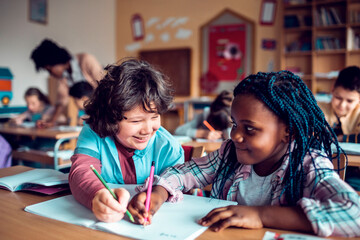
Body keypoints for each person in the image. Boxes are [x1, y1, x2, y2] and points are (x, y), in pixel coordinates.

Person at [128, 71, 360, 237]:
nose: (235, 135)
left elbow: (354, 214)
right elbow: (184, 172)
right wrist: (157, 193)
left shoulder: (308, 163)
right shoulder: (229, 153)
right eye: (234, 124)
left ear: (288, 132)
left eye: (249, 129)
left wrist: (260, 215)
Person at [68, 58, 184, 223]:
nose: (147, 129)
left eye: (155, 116)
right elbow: (81, 171)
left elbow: (175, 189)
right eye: (136, 121)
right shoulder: (93, 132)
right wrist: (96, 195)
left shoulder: (168, 148)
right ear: (110, 117)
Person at [30, 39, 103, 128]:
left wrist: (98, 116)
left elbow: (105, 88)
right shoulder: (64, 77)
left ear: (56, 61)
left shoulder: (86, 60)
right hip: (91, 115)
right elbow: (61, 102)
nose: (51, 74)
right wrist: (52, 122)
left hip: (102, 111)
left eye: (49, 70)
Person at [318, 66, 360, 143]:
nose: (342, 105)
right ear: (332, 89)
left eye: (350, 101)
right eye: (338, 98)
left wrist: (341, 138)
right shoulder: (317, 108)